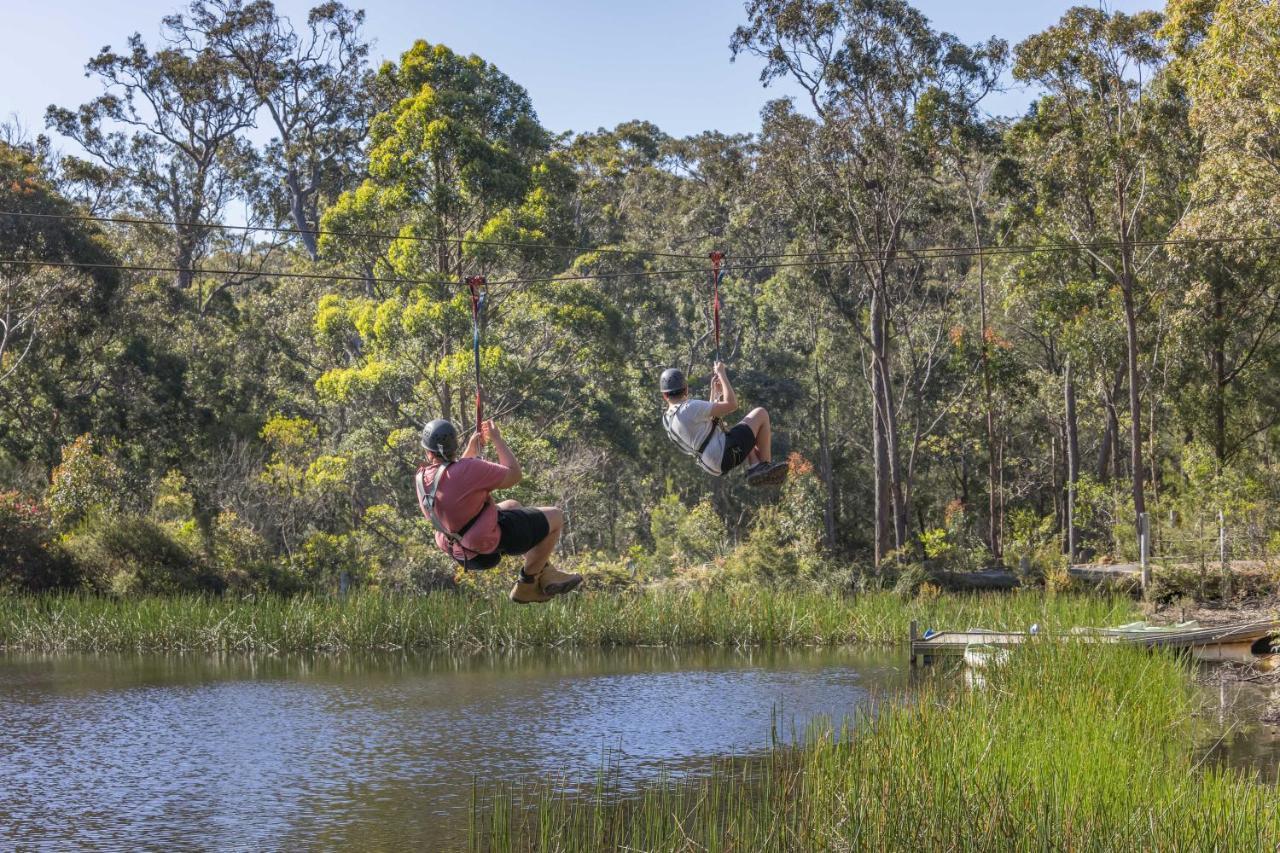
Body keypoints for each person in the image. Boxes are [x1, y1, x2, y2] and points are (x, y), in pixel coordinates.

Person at [416, 417, 582, 604]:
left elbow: (452, 476)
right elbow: (514, 474)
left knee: (512, 505)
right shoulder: (468, 469)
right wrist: (497, 439)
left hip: (461, 552)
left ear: (428, 452)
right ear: (453, 447)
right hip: (485, 547)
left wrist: (471, 450)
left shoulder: (422, 479)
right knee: (556, 517)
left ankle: (547, 572)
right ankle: (526, 585)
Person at [660, 362, 787, 486]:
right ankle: (765, 468)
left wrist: (714, 391)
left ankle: (755, 466)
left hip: (711, 464)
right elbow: (732, 404)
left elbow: (707, 424)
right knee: (761, 413)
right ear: (686, 389)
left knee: (739, 432)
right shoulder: (689, 407)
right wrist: (722, 374)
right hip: (722, 454)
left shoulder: (667, 419)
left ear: (665, 395)